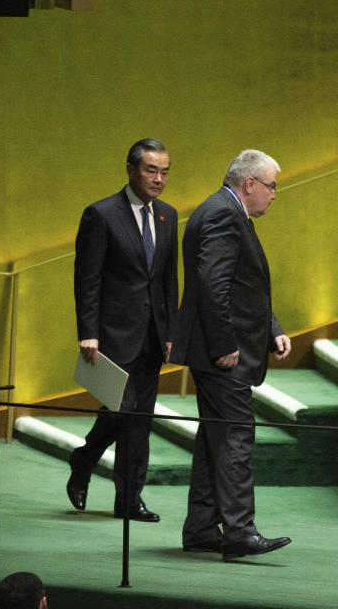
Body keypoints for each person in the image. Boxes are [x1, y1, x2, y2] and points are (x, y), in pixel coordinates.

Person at [171, 149, 292, 560]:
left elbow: (243, 287)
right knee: (237, 436)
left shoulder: (222, 209)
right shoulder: (224, 214)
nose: (275, 194)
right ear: (250, 184)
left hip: (219, 348)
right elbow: (212, 285)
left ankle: (202, 527)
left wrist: (272, 329)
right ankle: (239, 531)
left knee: (214, 438)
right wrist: (225, 346)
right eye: (272, 186)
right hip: (222, 354)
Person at [67, 138, 178, 522]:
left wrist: (169, 331)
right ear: (131, 169)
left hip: (152, 336)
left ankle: (129, 500)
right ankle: (83, 460)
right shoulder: (101, 215)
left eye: (164, 172)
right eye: (151, 170)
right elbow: (88, 279)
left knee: (140, 420)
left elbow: (167, 279)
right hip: (113, 334)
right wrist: (89, 330)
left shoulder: (168, 215)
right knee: (121, 412)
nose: (159, 179)